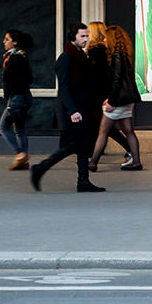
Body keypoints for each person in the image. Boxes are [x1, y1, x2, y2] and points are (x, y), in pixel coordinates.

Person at [31, 22, 103, 192]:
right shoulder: (66, 58)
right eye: (82, 36)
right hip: (71, 110)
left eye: (87, 36)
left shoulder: (81, 57)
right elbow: (63, 88)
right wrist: (72, 111)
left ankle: (83, 181)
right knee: (71, 146)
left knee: (83, 144)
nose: (86, 39)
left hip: (82, 108)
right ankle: (40, 168)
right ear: (73, 37)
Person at [91, 24, 144, 171]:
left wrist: (111, 101)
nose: (104, 40)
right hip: (127, 100)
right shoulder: (125, 55)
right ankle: (136, 162)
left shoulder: (116, 56)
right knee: (128, 131)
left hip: (119, 101)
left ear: (112, 39)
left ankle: (92, 162)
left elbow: (117, 80)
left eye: (106, 37)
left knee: (103, 132)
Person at [0, 29, 35, 170]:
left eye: (7, 39)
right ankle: (23, 162)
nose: (4, 42)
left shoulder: (15, 58)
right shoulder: (21, 56)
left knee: (2, 127)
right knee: (19, 129)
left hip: (16, 98)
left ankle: (20, 154)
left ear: (15, 42)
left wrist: (10, 90)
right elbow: (29, 79)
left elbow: (17, 80)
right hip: (24, 97)